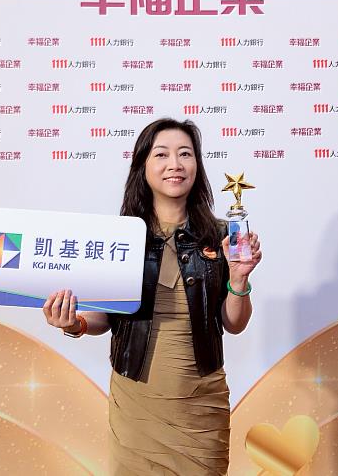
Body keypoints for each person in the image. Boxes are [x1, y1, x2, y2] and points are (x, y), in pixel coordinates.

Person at [42, 118, 262, 475]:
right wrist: (74, 323)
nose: (175, 164)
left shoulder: (223, 236)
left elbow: (234, 323)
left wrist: (239, 279)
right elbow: (103, 317)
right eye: (162, 154)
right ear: (142, 166)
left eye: (185, 154)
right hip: (136, 403)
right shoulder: (119, 237)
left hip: (201, 406)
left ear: (197, 165)